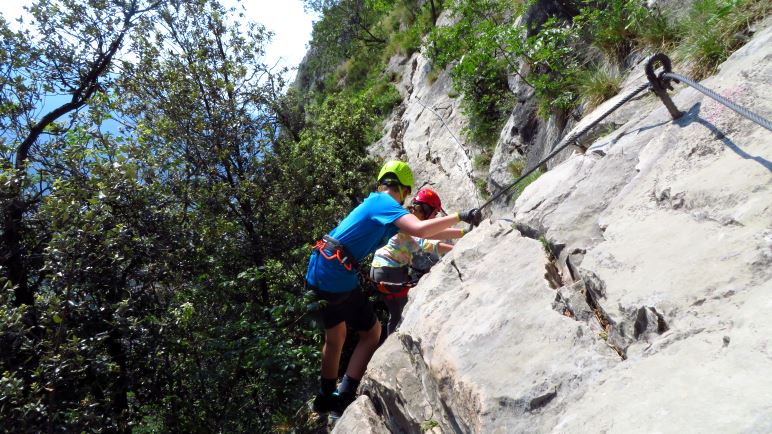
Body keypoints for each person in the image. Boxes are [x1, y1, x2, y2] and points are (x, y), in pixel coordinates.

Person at [306, 160, 482, 416]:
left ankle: (325, 398)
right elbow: (420, 227)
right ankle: (344, 396)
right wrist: (461, 216)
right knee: (371, 332)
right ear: (403, 188)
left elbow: (422, 236)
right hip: (336, 273)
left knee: (336, 337)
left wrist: (462, 233)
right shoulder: (384, 203)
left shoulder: (376, 205)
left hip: (320, 267)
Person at [370, 188, 462, 337]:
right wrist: (456, 248)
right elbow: (428, 245)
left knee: (396, 313)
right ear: (426, 210)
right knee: (405, 311)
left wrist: (462, 234)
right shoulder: (412, 223)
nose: (434, 217)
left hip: (378, 270)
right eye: (434, 213)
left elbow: (431, 237)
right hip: (390, 271)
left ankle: (390, 343)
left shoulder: (405, 219)